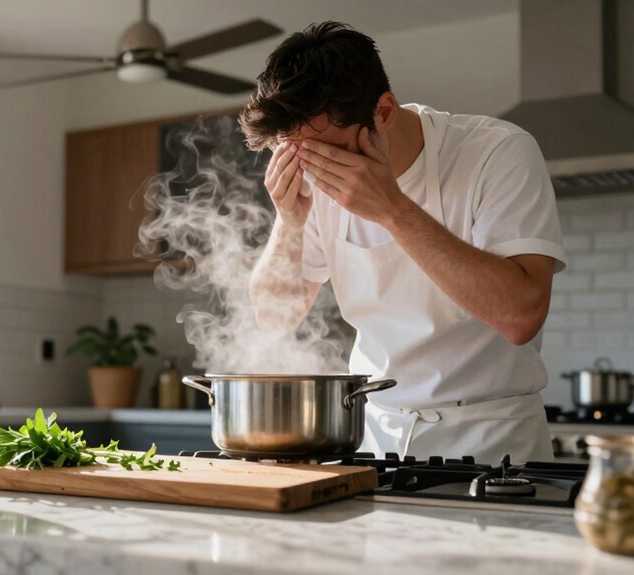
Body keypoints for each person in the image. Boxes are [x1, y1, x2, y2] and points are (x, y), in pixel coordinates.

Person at [242, 21, 566, 464]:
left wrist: (392, 208)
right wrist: (289, 222)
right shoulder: (312, 182)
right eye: (298, 154)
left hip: (493, 442)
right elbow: (272, 319)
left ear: (385, 112)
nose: (317, 168)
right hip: (372, 439)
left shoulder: (496, 152)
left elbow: (521, 316)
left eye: (331, 151)